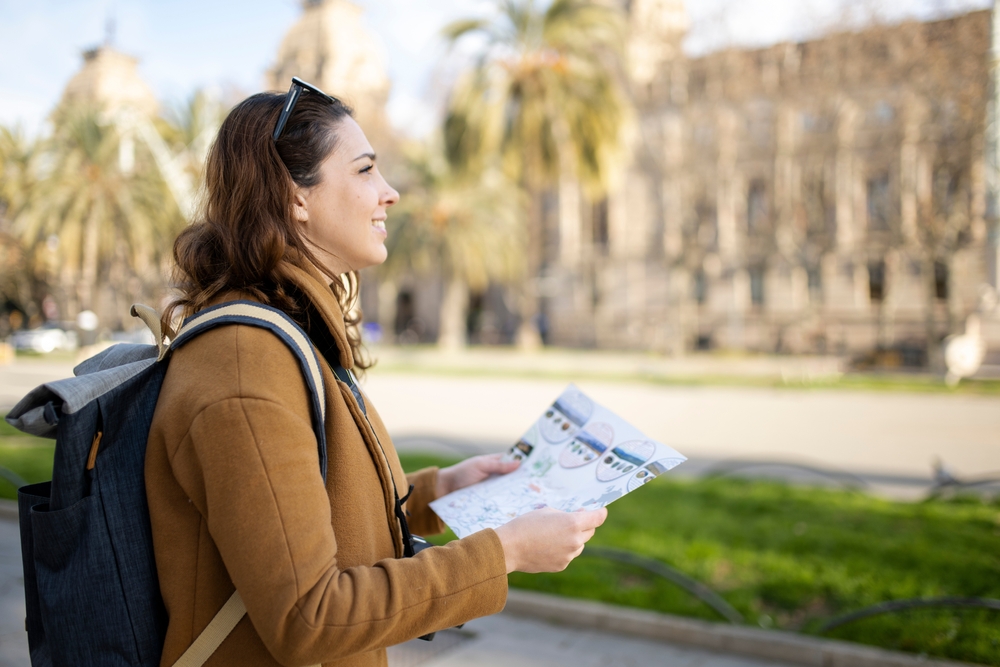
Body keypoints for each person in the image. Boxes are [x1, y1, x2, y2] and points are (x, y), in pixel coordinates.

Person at [146, 80, 607, 667]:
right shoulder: (244, 367)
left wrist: (440, 494)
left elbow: (306, 514)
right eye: (365, 171)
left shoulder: (285, 333)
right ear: (296, 197)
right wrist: (504, 553)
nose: (389, 193)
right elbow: (308, 617)